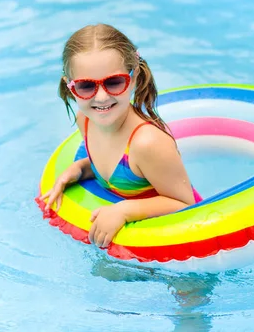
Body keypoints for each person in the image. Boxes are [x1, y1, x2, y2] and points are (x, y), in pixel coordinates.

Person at [40, 23, 202, 249]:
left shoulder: (147, 143)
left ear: (133, 78)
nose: (102, 97)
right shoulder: (85, 121)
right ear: (70, 88)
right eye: (86, 86)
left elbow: (184, 203)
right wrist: (78, 170)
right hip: (135, 245)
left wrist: (124, 211)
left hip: (184, 245)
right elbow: (108, 165)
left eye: (114, 82)